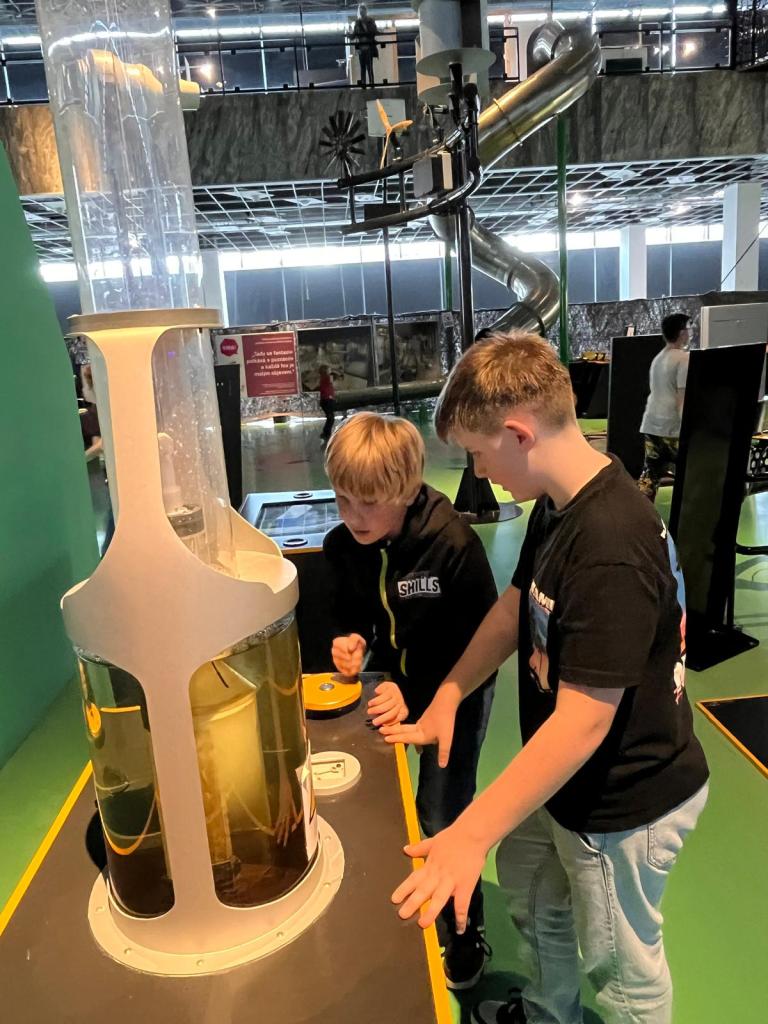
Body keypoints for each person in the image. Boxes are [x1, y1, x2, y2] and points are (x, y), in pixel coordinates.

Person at [382, 332, 709, 1024]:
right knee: (530, 877)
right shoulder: (562, 500)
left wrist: (468, 833)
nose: (478, 472)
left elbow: (584, 723)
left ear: (518, 434)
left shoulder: (610, 545)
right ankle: (547, 1011)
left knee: (622, 969)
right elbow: (515, 605)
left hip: (623, 802)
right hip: (570, 786)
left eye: (477, 454)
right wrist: (449, 693)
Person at [323, 412, 498, 989]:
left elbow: (479, 646)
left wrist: (418, 693)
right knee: (380, 798)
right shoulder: (344, 544)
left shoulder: (453, 545)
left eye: (369, 503)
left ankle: (464, 930)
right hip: (393, 684)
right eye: (343, 499)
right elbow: (351, 609)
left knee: (443, 814)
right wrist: (349, 638)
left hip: (456, 691)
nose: (353, 516)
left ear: (405, 489)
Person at [638, 312, 691, 501]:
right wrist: (688, 428)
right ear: (682, 333)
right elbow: (682, 397)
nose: (691, 332)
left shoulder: (658, 358)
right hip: (671, 427)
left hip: (651, 424)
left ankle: (641, 510)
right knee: (688, 470)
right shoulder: (684, 359)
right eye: (689, 328)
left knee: (650, 473)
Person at [352, 3, 378, 89]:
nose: (362, 13)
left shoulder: (369, 21)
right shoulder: (358, 22)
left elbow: (374, 31)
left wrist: (352, 36)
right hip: (363, 47)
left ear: (365, 11)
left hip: (367, 47)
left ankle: (370, 84)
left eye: (362, 11)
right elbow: (354, 35)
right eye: (361, 12)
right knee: (364, 68)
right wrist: (351, 36)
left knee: (368, 67)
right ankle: (366, 85)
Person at [318, 364, 336, 445]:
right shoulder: (328, 377)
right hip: (327, 400)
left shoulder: (322, 378)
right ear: (326, 371)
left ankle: (326, 433)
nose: (330, 370)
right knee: (331, 418)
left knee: (330, 417)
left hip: (325, 400)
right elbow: (331, 383)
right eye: (329, 369)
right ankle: (326, 433)